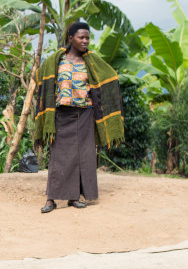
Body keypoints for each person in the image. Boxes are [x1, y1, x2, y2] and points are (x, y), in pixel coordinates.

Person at [33, 21, 124, 213]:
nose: (85, 41)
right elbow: (41, 77)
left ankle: (74, 198)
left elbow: (110, 76)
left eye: (88, 38)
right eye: (81, 37)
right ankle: (51, 199)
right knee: (59, 155)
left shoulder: (91, 61)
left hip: (84, 114)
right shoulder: (57, 61)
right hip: (61, 114)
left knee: (82, 156)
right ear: (71, 38)